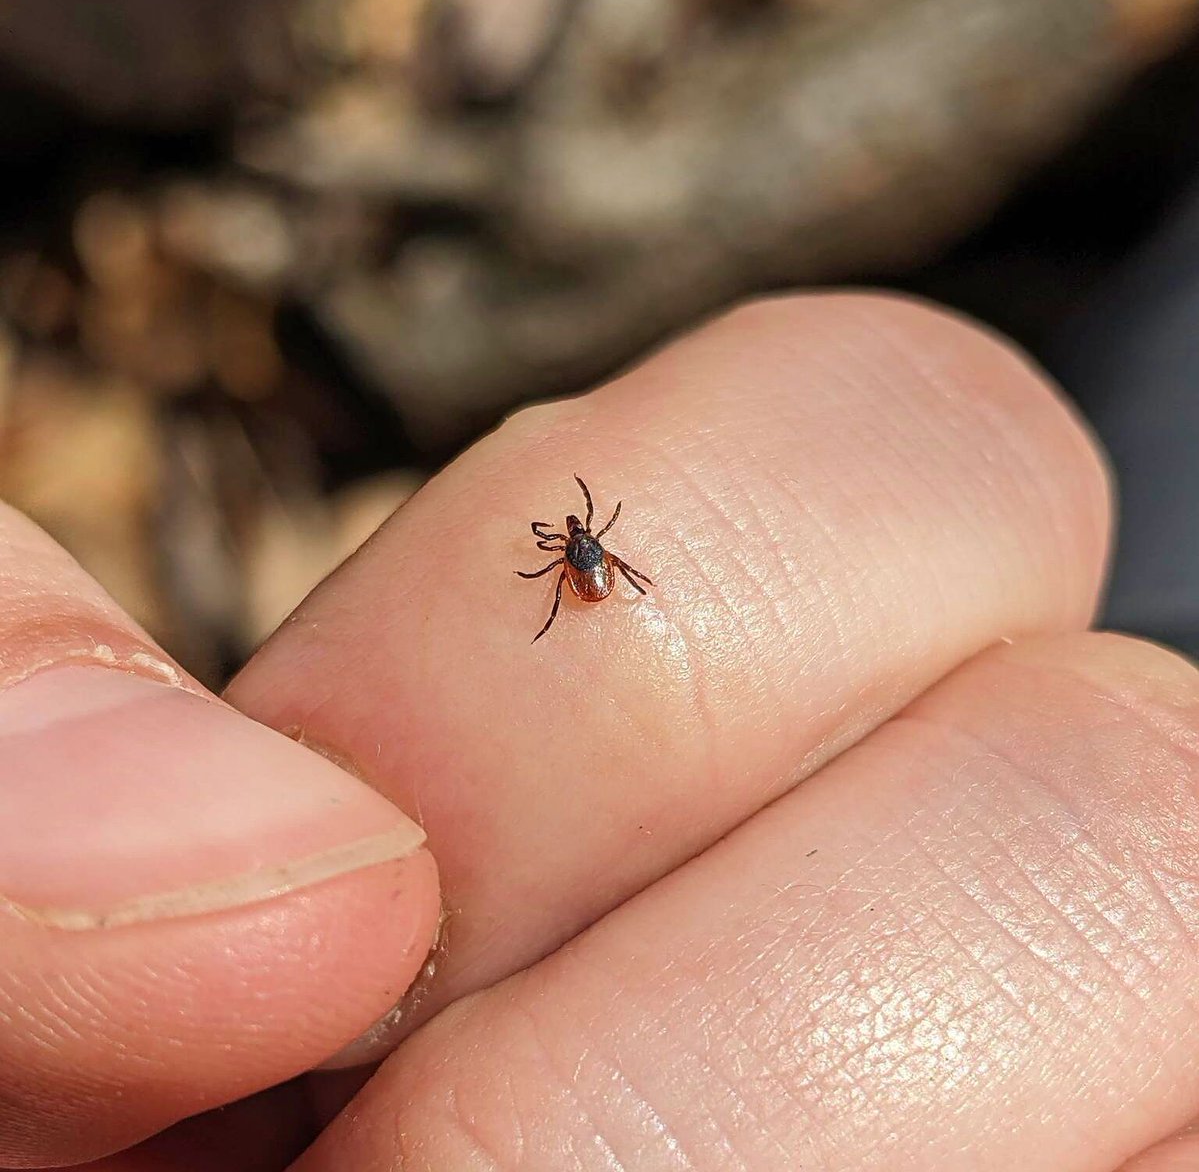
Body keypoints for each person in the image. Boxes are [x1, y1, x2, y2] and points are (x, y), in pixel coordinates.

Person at [2, 293, 1194, 1172]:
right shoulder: (591, 559)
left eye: (578, 546)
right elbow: (600, 550)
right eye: (576, 547)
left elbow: (591, 552)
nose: (575, 552)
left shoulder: (578, 560)